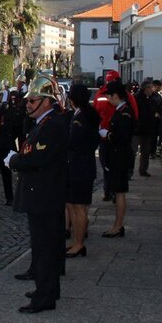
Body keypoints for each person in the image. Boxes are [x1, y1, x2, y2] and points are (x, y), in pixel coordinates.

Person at [4, 74, 68, 313]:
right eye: (28, 101)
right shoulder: (44, 123)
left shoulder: (51, 125)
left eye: (33, 101)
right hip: (42, 193)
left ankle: (45, 296)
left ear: (47, 101)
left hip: (44, 195)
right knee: (44, 247)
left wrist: (14, 160)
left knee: (44, 248)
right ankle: (48, 289)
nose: (28, 105)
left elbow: (37, 158)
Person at [65, 84, 100, 257]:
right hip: (82, 165)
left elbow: (74, 141)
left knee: (79, 207)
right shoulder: (86, 113)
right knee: (75, 205)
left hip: (79, 166)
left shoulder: (82, 117)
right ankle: (76, 241)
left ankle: (78, 243)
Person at [93, 70, 138, 200]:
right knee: (105, 163)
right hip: (104, 135)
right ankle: (109, 190)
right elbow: (96, 112)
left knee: (115, 164)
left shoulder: (125, 97)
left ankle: (114, 191)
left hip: (116, 136)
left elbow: (133, 116)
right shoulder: (102, 94)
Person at [99, 80, 135, 238]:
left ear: (116, 96)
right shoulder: (121, 110)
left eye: (109, 96)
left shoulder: (124, 112)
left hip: (120, 156)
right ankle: (117, 224)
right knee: (118, 191)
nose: (107, 99)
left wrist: (107, 134)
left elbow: (123, 136)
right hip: (117, 155)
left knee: (119, 193)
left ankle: (118, 225)